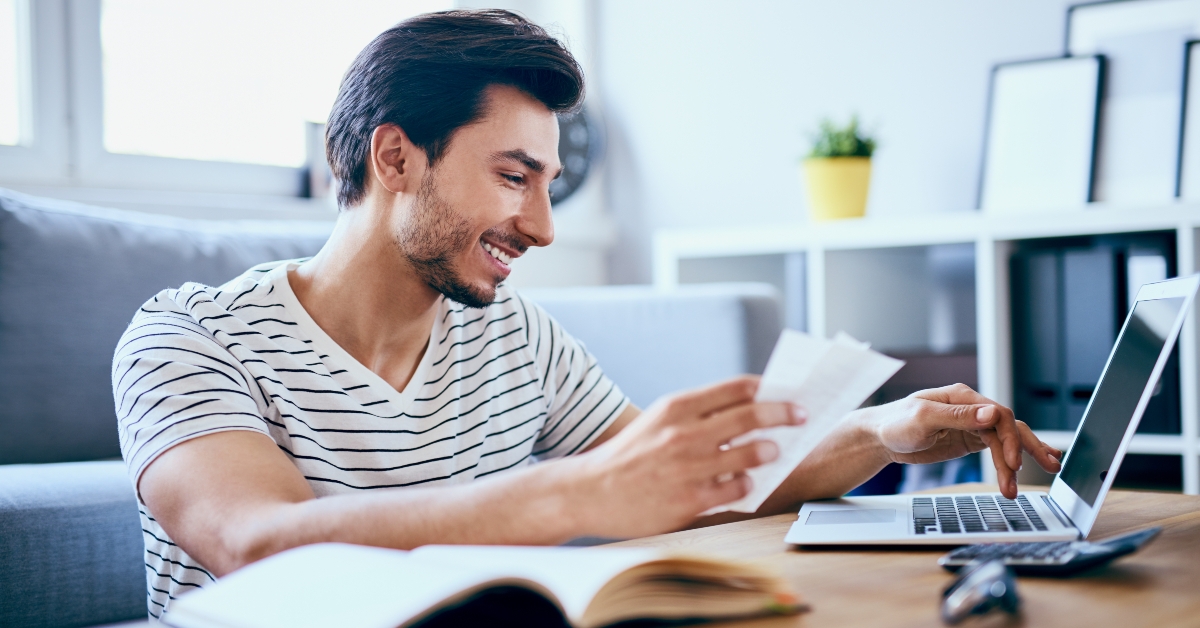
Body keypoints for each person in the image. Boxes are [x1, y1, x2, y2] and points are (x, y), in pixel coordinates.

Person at [112, 9, 1062, 618]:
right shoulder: (188, 335)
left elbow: (693, 485)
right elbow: (251, 542)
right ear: (394, 158)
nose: (542, 227)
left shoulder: (513, 335)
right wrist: (577, 494)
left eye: (549, 183)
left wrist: (880, 433)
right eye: (513, 177)